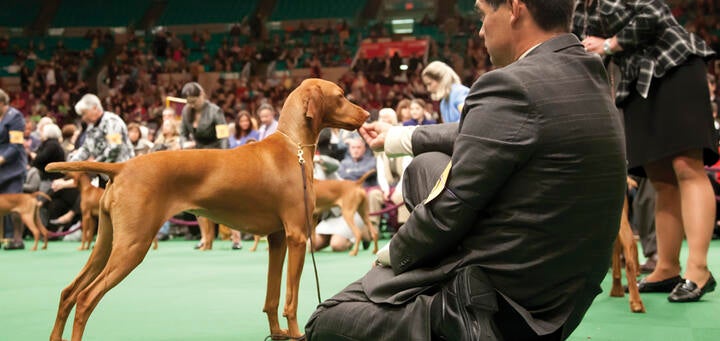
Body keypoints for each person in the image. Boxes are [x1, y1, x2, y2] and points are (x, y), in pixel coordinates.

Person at [305, 1, 626, 340]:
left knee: (326, 321)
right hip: (558, 304)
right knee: (423, 168)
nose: (481, 29)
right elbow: (482, 131)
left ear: (515, 9)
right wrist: (398, 137)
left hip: (499, 312)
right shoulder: (587, 72)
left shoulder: (511, 84)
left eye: (483, 14)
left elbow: (447, 214)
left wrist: (389, 259)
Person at [574, 0, 718, 303]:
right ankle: (666, 268)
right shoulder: (578, 8)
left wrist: (610, 44)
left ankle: (699, 270)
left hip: (672, 66)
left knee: (685, 166)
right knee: (660, 176)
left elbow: (655, 13)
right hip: (636, 84)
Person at [179, 82, 229, 249]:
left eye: (194, 100)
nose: (192, 104)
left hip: (216, 157)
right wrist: (184, 143)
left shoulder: (216, 111)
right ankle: (203, 237)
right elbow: (182, 134)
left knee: (220, 199)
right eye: (189, 101)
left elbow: (224, 137)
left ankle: (232, 236)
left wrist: (223, 160)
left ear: (202, 95)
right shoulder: (186, 112)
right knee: (195, 199)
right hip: (196, 157)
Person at [0, 88, 28, 250]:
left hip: (13, 168)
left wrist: (2, 159)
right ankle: (4, 237)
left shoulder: (15, 116)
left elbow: (16, 145)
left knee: (15, 205)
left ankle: (17, 239)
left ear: (2, 103)